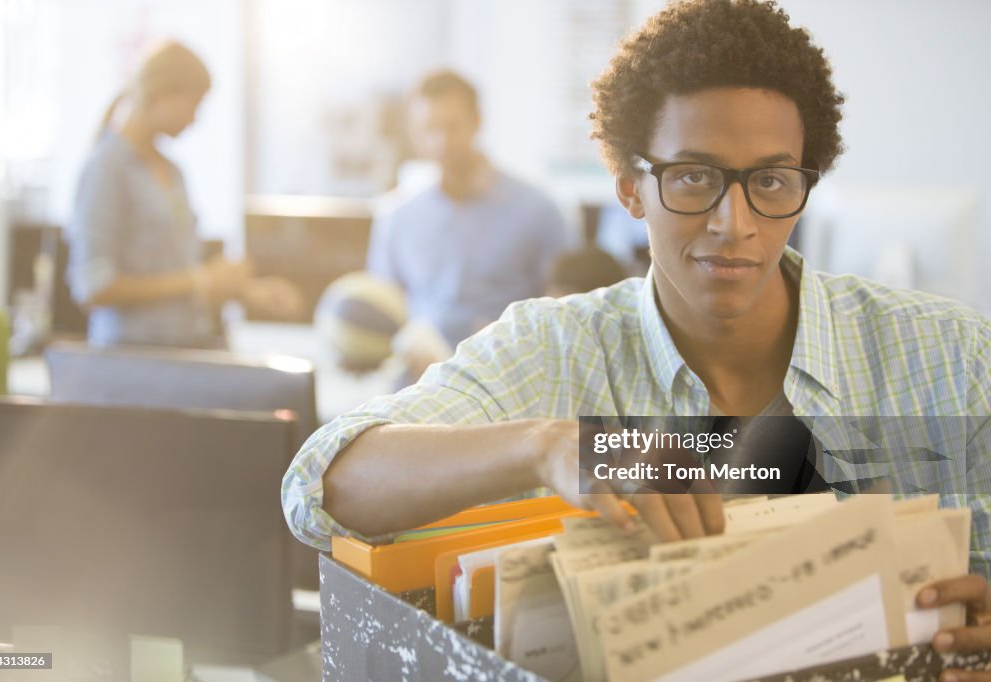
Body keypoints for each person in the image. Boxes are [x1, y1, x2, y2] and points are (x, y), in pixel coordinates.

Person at [284, 0, 991, 671]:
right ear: (629, 186)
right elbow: (320, 488)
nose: (734, 223)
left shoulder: (956, 357)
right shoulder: (554, 348)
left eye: (771, 182)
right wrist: (552, 445)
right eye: (692, 178)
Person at [67, 40, 300, 348]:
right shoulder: (106, 168)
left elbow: (180, 272)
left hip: (185, 346)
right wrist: (199, 280)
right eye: (194, 104)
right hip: (130, 358)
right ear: (162, 94)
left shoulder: (173, 171)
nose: (195, 119)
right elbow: (93, 287)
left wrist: (244, 289)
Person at [367, 70, 570, 353]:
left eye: (451, 127)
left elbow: (563, 311)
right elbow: (381, 307)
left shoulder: (538, 211)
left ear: (476, 122)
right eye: (428, 129)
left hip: (504, 378)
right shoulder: (397, 215)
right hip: (417, 381)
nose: (440, 142)